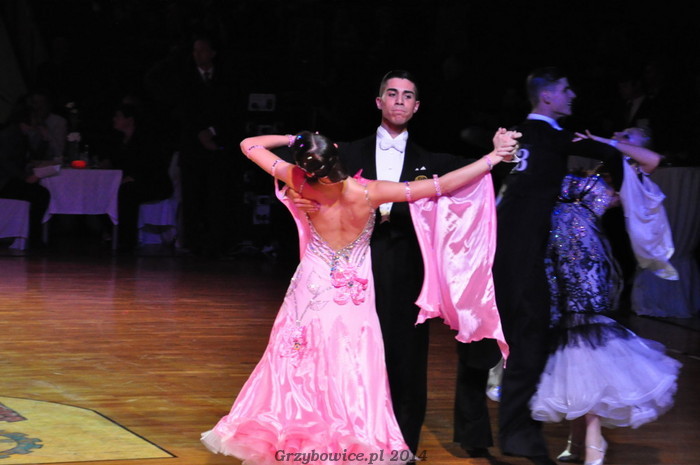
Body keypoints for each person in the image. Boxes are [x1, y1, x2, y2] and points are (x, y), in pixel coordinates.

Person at [201, 129, 517, 464]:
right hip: (352, 290)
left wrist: (294, 138)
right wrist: (492, 158)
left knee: (297, 358)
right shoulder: (370, 192)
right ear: (336, 154)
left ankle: (297, 429)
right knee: (349, 361)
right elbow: (443, 185)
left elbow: (248, 144)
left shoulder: (299, 181)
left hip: (312, 283)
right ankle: (343, 433)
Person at [333, 70, 505, 456]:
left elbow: (470, 175)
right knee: (351, 354)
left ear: (416, 107)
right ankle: (351, 440)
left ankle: (402, 448)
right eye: (392, 93)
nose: (399, 100)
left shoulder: (430, 161)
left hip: (408, 270)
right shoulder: (349, 153)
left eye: (407, 96)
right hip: (354, 267)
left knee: (407, 360)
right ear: (379, 102)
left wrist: (496, 155)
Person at [492, 67, 624, 465]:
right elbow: (613, 156)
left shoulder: (515, 136)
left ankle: (509, 432)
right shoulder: (552, 136)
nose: (572, 95)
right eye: (565, 89)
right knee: (529, 341)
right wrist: (612, 177)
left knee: (518, 343)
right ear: (547, 96)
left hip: (501, 249)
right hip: (525, 254)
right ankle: (517, 433)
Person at [529, 127, 681, 465]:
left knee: (584, 345)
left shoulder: (626, 175)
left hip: (585, 263)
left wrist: (607, 143)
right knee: (567, 344)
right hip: (553, 260)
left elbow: (652, 160)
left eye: (630, 133)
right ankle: (578, 435)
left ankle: (593, 440)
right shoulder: (590, 165)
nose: (620, 132)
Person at [104, 103, 173, 252]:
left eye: (118, 116)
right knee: (106, 191)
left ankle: (127, 240)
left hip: (153, 183)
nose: (114, 119)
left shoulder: (146, 139)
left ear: (130, 119)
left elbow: (153, 164)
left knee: (127, 193)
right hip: (128, 180)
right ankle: (111, 232)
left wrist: (135, 177)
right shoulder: (119, 140)